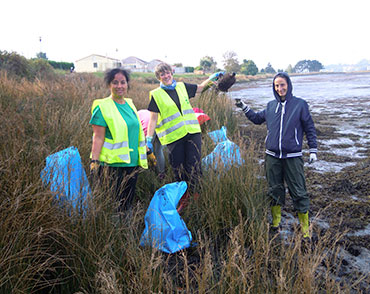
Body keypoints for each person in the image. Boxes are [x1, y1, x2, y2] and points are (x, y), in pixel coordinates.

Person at [236, 72, 317, 239]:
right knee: (274, 190)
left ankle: (305, 230)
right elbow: (257, 119)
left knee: (299, 192)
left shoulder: (300, 105)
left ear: (289, 84)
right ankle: (275, 223)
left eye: (282, 84)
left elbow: (309, 128)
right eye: (276, 85)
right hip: (272, 156)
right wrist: (245, 107)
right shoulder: (271, 106)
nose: (280, 88)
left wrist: (313, 150)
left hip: (293, 156)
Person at [146, 62, 222, 212]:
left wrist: (212, 79)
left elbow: (200, 88)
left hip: (192, 133)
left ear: (171, 72)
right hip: (173, 138)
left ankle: (197, 196)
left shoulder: (182, 87)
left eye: (168, 72)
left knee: (194, 166)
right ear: (158, 78)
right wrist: (149, 139)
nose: (166, 76)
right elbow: (153, 119)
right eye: (162, 74)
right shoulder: (156, 95)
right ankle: (183, 199)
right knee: (178, 169)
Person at [89, 68, 148, 212]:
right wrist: (94, 161)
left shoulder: (130, 104)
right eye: (115, 82)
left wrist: (148, 150)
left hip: (132, 162)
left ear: (127, 84)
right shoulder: (103, 107)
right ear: (109, 85)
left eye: (123, 82)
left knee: (128, 201)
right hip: (112, 164)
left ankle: (126, 230)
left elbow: (136, 132)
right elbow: (98, 137)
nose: (119, 86)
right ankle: (115, 230)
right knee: (115, 203)